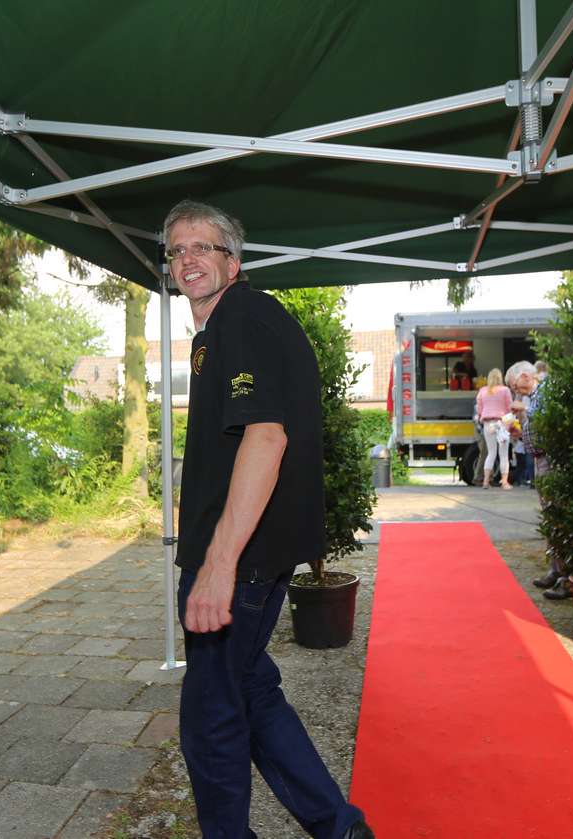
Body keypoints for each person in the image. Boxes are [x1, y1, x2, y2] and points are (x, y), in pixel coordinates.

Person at [164, 199, 376, 839]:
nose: (187, 259)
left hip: (241, 558)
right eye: (176, 250)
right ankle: (339, 827)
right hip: (254, 553)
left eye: (203, 247)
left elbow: (265, 437)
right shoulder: (224, 327)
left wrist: (218, 565)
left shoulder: (244, 317)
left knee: (210, 719)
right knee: (251, 690)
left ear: (234, 261)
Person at [508, 361, 569, 600]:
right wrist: (521, 434)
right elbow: (540, 427)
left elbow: (549, 419)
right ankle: (556, 570)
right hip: (541, 459)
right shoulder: (535, 394)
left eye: (515, 385)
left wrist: (523, 406)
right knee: (549, 517)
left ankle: (565, 576)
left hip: (550, 459)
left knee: (555, 517)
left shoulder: (543, 391)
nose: (515, 390)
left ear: (525, 375)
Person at [475, 368, 517, 489]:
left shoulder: (483, 391)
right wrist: (510, 424)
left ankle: (486, 481)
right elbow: (510, 407)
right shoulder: (505, 390)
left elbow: (479, 409)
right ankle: (505, 482)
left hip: (488, 424)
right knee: (503, 455)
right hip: (502, 423)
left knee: (491, 454)